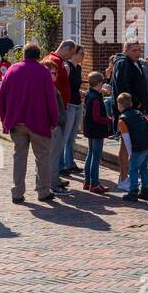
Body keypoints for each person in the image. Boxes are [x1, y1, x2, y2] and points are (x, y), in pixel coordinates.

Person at [0, 43, 62, 204]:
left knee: (19, 157)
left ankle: (17, 192)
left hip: (16, 121)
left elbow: (2, 97)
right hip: (38, 121)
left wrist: (4, 119)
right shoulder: (43, 72)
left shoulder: (12, 70)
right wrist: (54, 120)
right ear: (39, 56)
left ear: (24, 55)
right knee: (42, 157)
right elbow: (51, 100)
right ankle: (43, 191)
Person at [107, 40, 146, 191]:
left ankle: (127, 176)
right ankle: (123, 178)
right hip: (127, 113)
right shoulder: (123, 63)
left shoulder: (135, 62)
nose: (138, 53)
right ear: (126, 50)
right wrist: (135, 103)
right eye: (135, 50)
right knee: (125, 145)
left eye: (139, 50)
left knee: (130, 145)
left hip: (134, 111)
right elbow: (123, 87)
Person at [44, 40, 77, 186]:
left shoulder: (53, 60)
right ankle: (53, 180)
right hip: (57, 109)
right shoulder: (54, 62)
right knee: (55, 148)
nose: (71, 56)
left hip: (59, 106)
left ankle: (52, 177)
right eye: (71, 52)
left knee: (54, 148)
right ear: (66, 49)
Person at [117, 92, 148, 202]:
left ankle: (133, 191)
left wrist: (130, 153)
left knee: (133, 169)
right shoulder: (139, 113)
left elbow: (126, 139)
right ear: (131, 103)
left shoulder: (122, 119)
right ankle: (145, 190)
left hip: (139, 146)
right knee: (144, 166)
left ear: (119, 105)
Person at [81, 71, 113, 193]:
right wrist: (109, 120)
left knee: (90, 154)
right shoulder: (95, 98)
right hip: (96, 130)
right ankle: (94, 183)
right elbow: (97, 117)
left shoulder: (89, 94)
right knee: (95, 156)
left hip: (90, 129)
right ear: (99, 83)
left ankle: (87, 181)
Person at [60, 45, 84, 175]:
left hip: (78, 104)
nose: (83, 56)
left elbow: (74, 87)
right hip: (69, 105)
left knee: (72, 137)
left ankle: (70, 163)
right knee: (65, 137)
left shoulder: (79, 68)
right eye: (81, 53)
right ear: (74, 54)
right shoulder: (67, 67)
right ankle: (61, 165)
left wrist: (81, 92)